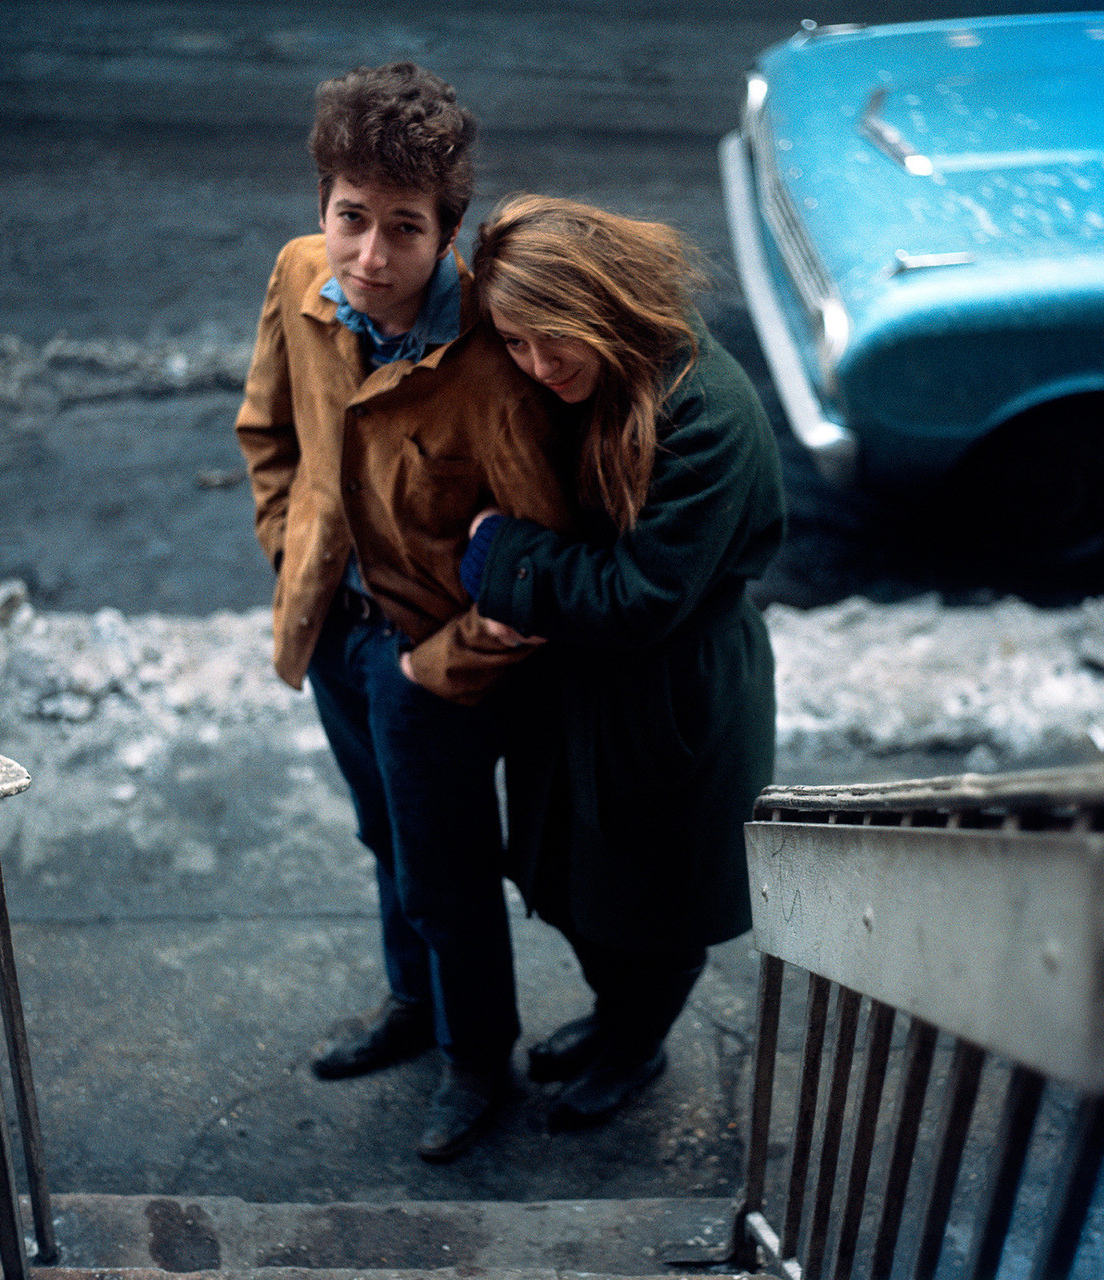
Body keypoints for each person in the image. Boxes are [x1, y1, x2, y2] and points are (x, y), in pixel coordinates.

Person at [234, 66, 570, 1162]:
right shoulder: (298, 278)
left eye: (403, 230)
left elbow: (536, 564)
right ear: (322, 208)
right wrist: (294, 549)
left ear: (449, 233)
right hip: (334, 627)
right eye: (349, 219)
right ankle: (412, 1005)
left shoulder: (490, 363)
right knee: (381, 832)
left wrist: (440, 662)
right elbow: (266, 432)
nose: (369, 258)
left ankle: (479, 1059)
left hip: (431, 665)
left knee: (446, 865)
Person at [460, 195, 787, 1130]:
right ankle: (615, 1019)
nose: (536, 366)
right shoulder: (597, 375)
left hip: (672, 699)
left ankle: (635, 1047)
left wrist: (496, 557)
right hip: (587, 691)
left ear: (598, 304)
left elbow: (638, 597)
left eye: (548, 340)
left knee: (653, 907)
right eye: (515, 345)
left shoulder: (705, 415)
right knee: (572, 883)